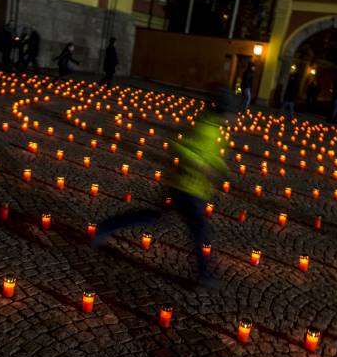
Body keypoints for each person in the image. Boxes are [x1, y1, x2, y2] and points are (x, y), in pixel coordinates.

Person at [92, 84, 234, 288]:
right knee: (201, 232)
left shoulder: (213, 128)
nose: (234, 117)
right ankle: (205, 274)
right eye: (232, 112)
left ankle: (105, 227)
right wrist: (201, 166)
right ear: (224, 110)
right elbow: (178, 145)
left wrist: (221, 169)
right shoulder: (204, 127)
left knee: (154, 217)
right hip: (186, 188)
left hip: (191, 188)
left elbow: (209, 155)